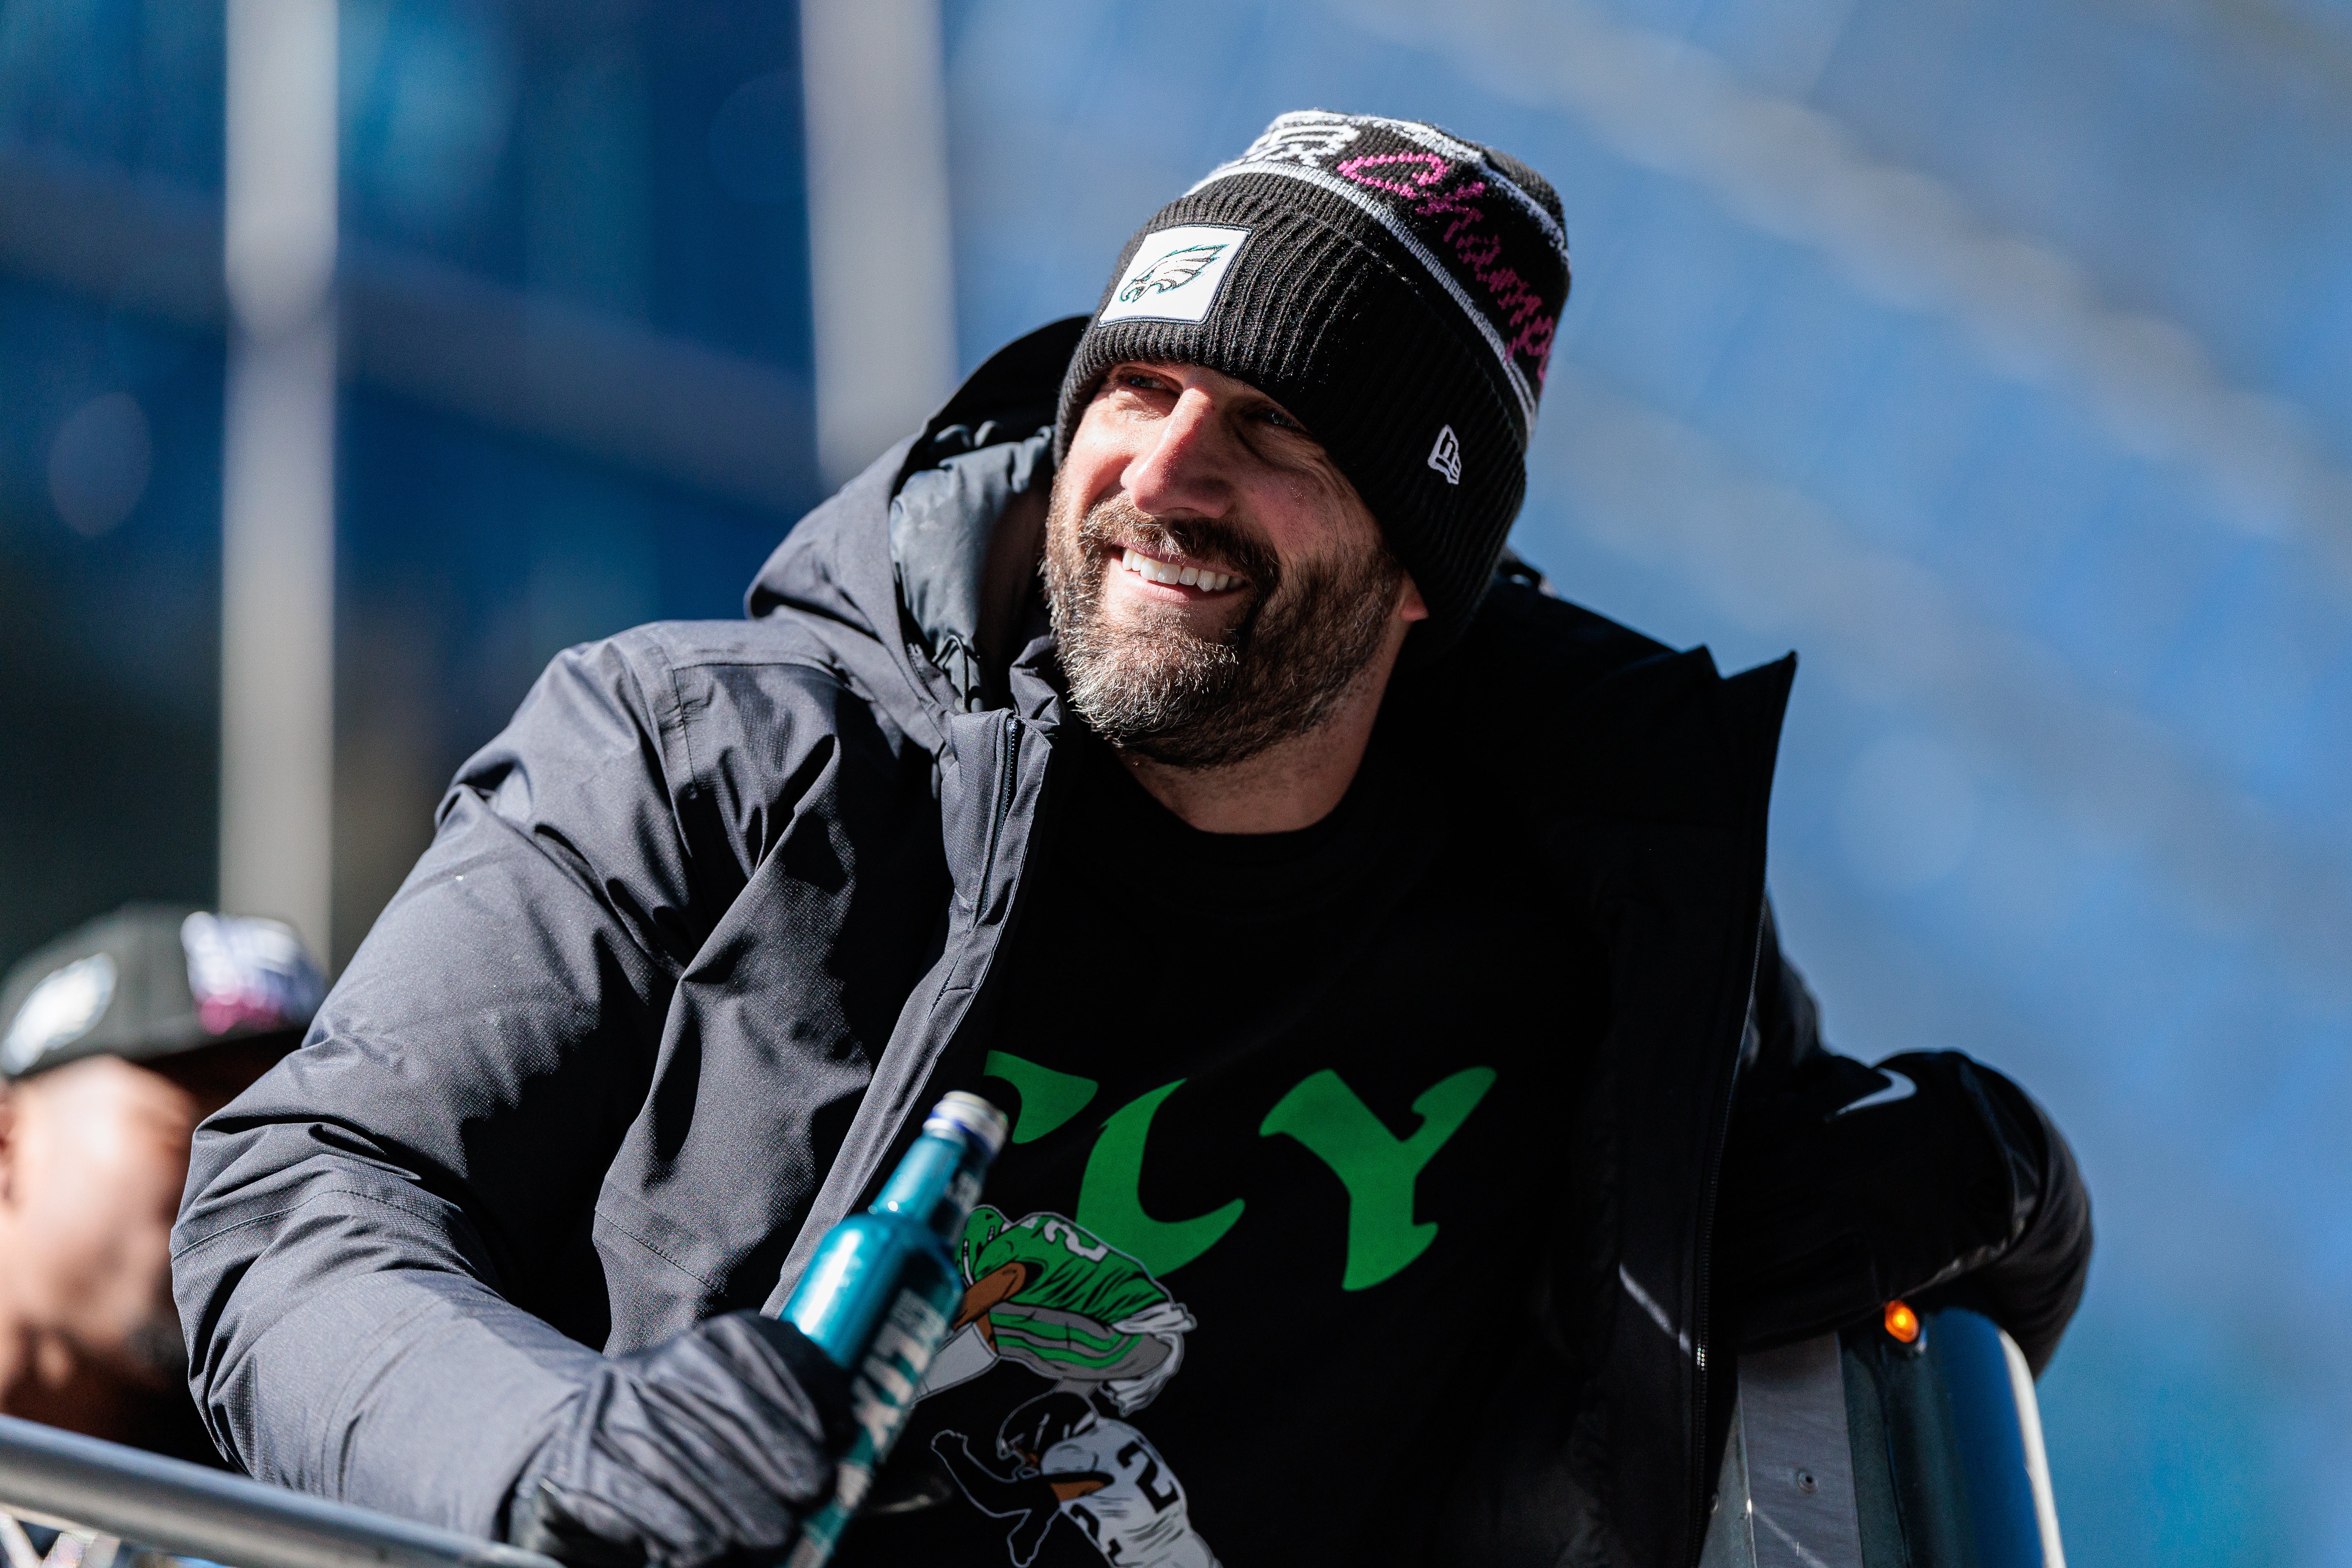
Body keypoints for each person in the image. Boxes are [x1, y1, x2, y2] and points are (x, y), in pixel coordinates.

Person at [173, 111, 2090, 1568]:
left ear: (1420, 568)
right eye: (1137, 388)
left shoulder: (1591, 942)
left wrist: (2017, 1195)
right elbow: (299, 1205)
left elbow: (1873, 1300)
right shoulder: (701, 753)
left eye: (1271, 429)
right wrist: (558, 1455)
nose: (1161, 474)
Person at [0, 906, 320, 1463]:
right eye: (191, 1124)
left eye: (298, 1148)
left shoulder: (305, 1510)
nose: (255, 1179)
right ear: (7, 1143)